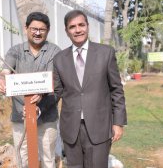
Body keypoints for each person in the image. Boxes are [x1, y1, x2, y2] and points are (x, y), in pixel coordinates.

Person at [53, 10, 127, 168]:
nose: (77, 30)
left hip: (99, 126)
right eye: (72, 27)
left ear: (87, 26)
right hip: (71, 129)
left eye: (81, 25)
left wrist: (118, 122)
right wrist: (37, 106)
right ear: (67, 31)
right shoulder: (59, 59)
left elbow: (117, 90)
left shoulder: (105, 53)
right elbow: (56, 92)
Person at [0, 12, 61, 168]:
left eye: (42, 29)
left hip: (47, 116)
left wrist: (41, 94)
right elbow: (5, 71)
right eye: (33, 28)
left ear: (48, 30)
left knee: (48, 158)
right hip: (21, 117)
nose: (37, 33)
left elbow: (54, 80)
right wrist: (1, 80)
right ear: (26, 28)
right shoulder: (15, 51)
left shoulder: (55, 51)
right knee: (22, 159)